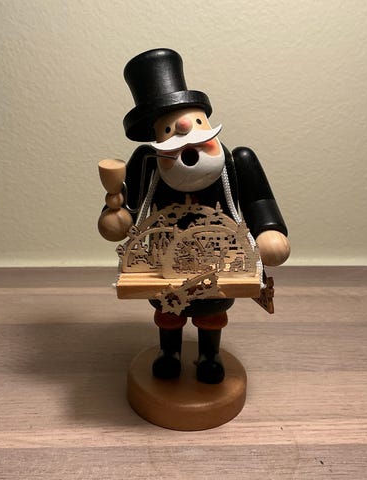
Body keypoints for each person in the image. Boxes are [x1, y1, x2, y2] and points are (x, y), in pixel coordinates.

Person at [99, 48, 290, 384]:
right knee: (168, 310)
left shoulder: (237, 162)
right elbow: (125, 214)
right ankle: (169, 352)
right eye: (169, 129)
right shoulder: (147, 163)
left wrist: (269, 232)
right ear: (156, 139)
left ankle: (209, 355)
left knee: (211, 310)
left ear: (207, 124)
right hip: (162, 262)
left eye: (197, 123)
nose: (186, 131)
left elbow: (259, 200)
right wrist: (115, 215)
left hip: (221, 260)